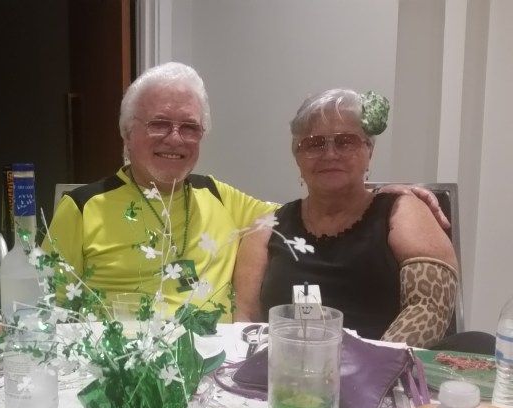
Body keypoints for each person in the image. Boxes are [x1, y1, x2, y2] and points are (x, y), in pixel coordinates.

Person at [45, 63, 445, 322]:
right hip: (124, 371)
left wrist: (374, 193)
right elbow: (46, 312)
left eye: (190, 127)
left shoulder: (220, 197)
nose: (175, 138)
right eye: (159, 124)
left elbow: (318, 208)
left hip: (217, 369)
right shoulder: (81, 208)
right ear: (126, 132)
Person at [233, 88, 458, 348]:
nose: (330, 154)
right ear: (297, 158)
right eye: (314, 144)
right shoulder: (265, 229)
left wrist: (367, 365)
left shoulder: (401, 212)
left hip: (383, 368)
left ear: (369, 151)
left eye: (345, 141)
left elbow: (429, 307)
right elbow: (245, 319)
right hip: (286, 367)